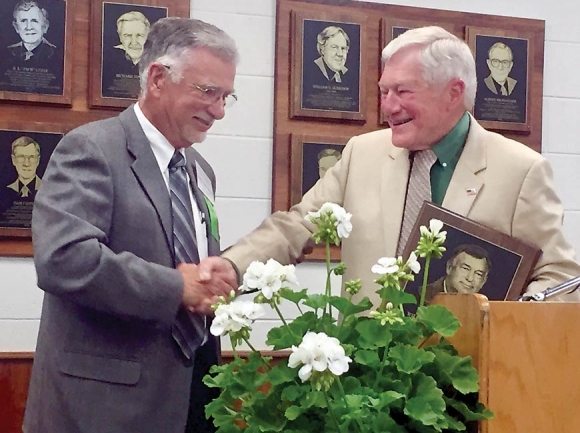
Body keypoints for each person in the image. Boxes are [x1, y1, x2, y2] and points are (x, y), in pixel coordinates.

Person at [218, 26, 580, 307]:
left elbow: (560, 276)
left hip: (466, 386)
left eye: (403, 92)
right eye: (384, 91)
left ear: (454, 92)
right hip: (362, 381)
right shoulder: (362, 152)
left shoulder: (521, 171)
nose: (387, 107)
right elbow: (295, 227)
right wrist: (230, 267)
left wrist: (509, 321)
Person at [23, 17, 239, 433]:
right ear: (158, 78)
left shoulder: (200, 170)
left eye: (227, 96)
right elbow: (64, 258)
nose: (219, 111)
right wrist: (178, 287)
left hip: (193, 397)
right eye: (208, 92)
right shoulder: (90, 148)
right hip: (103, 410)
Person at [425, 244, 491, 304]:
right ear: (449, 267)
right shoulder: (422, 297)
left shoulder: (480, 311)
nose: (470, 278)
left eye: (478, 274)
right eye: (465, 268)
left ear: (483, 281)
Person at [8, 0, 56, 66]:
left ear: (45, 26)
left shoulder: (56, 53)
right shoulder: (7, 52)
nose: (29, 27)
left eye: (34, 21)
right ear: (16, 27)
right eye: (23, 21)